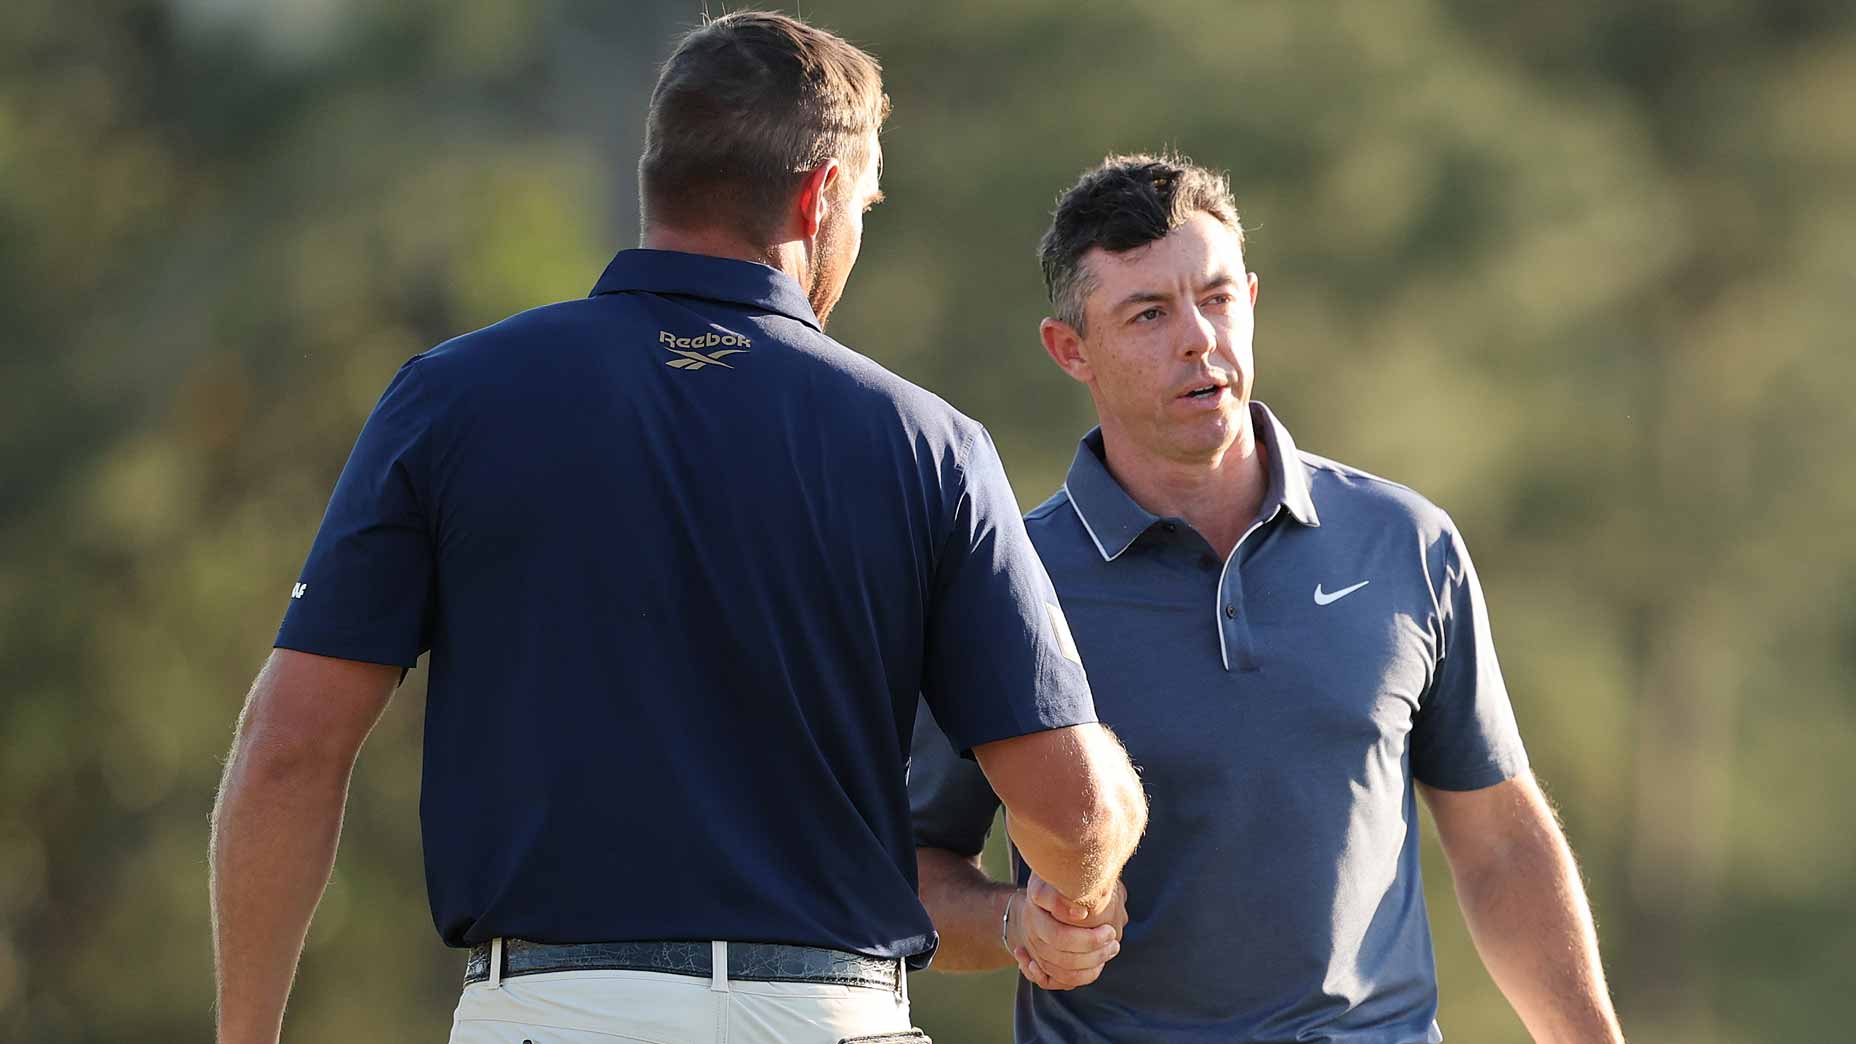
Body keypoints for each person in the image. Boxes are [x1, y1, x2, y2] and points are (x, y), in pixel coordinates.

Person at [207, 14, 1148, 1044]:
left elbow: (290, 751)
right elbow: (1069, 816)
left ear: (661, 174)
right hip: (823, 1020)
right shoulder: (927, 444)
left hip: (546, 1016)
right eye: (863, 202)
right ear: (820, 195)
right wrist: (1082, 872)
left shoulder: (449, 400)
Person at [909, 154, 1626, 1043]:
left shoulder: (1405, 541)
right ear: (1071, 350)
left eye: (1216, 299)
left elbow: (1502, 846)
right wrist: (1016, 923)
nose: (1198, 340)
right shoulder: (1004, 579)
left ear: (1252, 298)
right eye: (1148, 315)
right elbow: (913, 869)